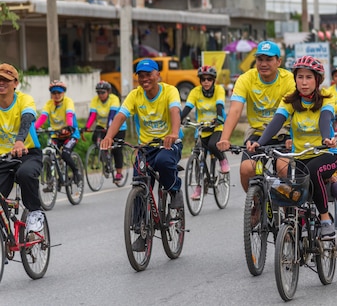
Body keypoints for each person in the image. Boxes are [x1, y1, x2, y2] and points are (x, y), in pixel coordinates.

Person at [247, 56, 337, 240]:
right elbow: (277, 122)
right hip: (300, 156)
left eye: (309, 77)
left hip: (326, 153)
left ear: (317, 80)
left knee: (313, 172)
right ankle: (300, 224)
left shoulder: (327, 98)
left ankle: (324, 220)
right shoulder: (289, 101)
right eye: (300, 77)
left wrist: (326, 139)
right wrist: (260, 142)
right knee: (293, 188)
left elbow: (325, 119)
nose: (304, 82)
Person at [100, 58, 184, 213]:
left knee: (163, 161)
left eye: (148, 74)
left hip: (169, 143)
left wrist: (173, 133)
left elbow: (175, 111)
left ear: (158, 75)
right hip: (145, 147)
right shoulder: (135, 95)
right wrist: (108, 136)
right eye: (141, 76)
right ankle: (141, 230)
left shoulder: (170, 91)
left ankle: (174, 190)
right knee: (139, 183)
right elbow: (120, 116)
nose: (145, 79)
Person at [216, 41, 295, 192]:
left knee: (282, 168)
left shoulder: (289, 79)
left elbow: (295, 112)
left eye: (268, 59)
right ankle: (255, 204)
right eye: (260, 59)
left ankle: (287, 211)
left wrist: (294, 137)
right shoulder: (246, 79)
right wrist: (224, 138)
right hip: (257, 134)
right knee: (246, 169)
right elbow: (235, 111)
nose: (263, 64)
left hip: (284, 133)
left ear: (279, 61)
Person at [0, 63, 45, 234]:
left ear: (15, 83)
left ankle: (35, 212)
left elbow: (27, 118)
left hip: (28, 153)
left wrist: (20, 141)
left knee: (24, 174)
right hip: (3, 158)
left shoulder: (24, 100)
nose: (1, 83)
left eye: (6, 80)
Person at [181, 65, 229, 201]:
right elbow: (187, 108)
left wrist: (219, 118)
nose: (206, 82)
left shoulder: (219, 90)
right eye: (203, 79)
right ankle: (199, 187)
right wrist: (178, 119)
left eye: (209, 79)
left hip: (216, 127)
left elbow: (220, 106)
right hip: (202, 129)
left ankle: (222, 160)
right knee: (196, 156)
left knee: (214, 145)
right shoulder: (195, 92)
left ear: (214, 80)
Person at [35, 80, 82, 184]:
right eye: (54, 93)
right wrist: (34, 128)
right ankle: (50, 181)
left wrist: (69, 126)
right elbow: (43, 117)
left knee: (65, 154)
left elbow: (69, 114)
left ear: (63, 93)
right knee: (49, 154)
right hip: (56, 134)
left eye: (59, 93)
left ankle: (76, 172)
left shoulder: (68, 102)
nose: (56, 95)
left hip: (70, 134)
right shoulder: (49, 104)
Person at [85, 81, 127, 182]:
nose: (100, 95)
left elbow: (112, 115)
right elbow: (93, 115)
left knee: (116, 149)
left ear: (108, 92)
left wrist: (110, 128)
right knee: (95, 138)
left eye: (103, 92)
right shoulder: (95, 100)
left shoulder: (114, 99)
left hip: (117, 127)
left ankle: (119, 173)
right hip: (102, 125)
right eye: (98, 93)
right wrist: (86, 127)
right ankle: (105, 157)